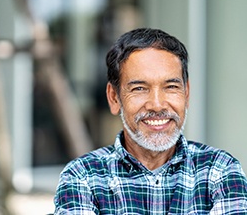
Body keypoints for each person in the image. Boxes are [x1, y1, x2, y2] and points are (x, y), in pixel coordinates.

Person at [53, 28, 247, 214]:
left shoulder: (220, 170)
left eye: (171, 86)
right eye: (139, 88)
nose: (157, 105)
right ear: (114, 98)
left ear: (186, 94)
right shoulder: (83, 177)